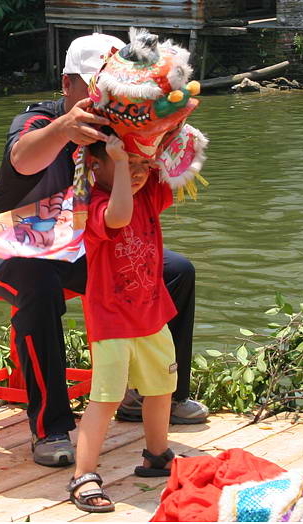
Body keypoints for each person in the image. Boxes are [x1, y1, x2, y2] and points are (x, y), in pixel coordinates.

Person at [0, 33, 207, 467]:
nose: (103, 97)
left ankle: (155, 394)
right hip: (14, 247)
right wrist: (64, 129)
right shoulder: (37, 121)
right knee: (39, 282)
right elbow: (24, 160)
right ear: (68, 86)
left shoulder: (120, 129)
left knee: (176, 269)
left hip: (88, 248)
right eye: (94, 85)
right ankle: (50, 426)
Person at [68, 133, 180, 512]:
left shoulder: (148, 192)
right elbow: (119, 216)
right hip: (112, 319)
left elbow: (171, 162)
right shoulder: (95, 202)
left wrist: (154, 145)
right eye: (123, 165)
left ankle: (157, 454)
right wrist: (120, 165)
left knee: (161, 386)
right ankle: (84, 474)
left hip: (151, 314)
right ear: (96, 166)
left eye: (140, 166)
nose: (135, 174)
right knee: (106, 398)